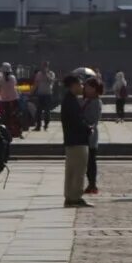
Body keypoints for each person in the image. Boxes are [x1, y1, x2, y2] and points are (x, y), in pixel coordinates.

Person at [60, 73, 94, 208]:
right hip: (78, 140)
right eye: (80, 84)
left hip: (71, 140)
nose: (82, 87)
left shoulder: (69, 100)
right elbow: (77, 121)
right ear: (73, 86)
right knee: (78, 170)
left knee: (71, 171)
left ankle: (69, 195)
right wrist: (88, 128)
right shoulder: (71, 102)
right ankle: (75, 197)